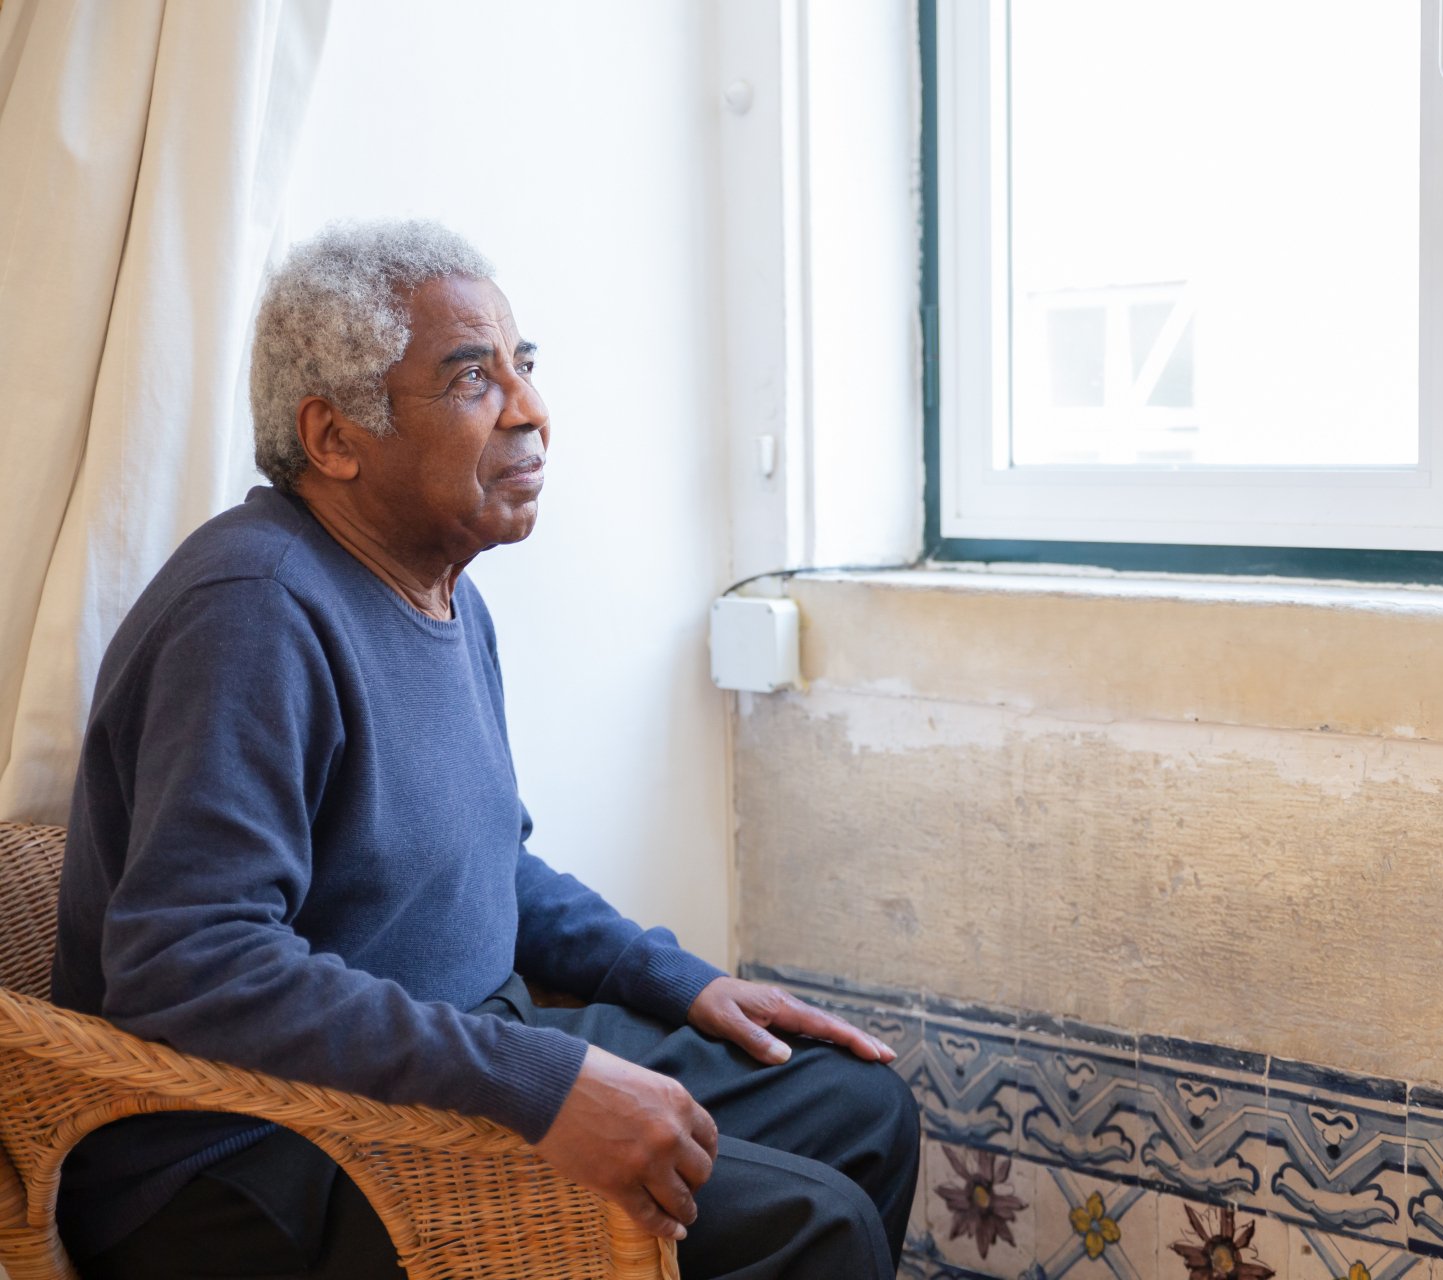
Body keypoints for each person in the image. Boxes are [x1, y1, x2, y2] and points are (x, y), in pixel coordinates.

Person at [50, 220, 918, 1279]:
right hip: (249, 1153)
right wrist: (540, 1080)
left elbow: (484, 861)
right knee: (812, 1224)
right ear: (333, 437)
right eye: (472, 377)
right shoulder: (253, 610)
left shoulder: (443, 592)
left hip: (439, 1052)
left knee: (857, 1103)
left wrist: (679, 981)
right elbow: (187, 961)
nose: (531, 410)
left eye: (526, 365)